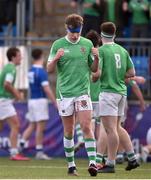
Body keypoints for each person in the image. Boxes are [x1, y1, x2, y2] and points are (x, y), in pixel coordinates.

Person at [47, 14, 99, 176]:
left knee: (86, 126)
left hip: (83, 92)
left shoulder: (87, 43)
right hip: (65, 93)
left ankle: (93, 163)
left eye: (78, 32)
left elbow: (94, 69)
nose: (75, 35)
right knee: (68, 130)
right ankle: (71, 166)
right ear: (66, 28)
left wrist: (96, 57)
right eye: (72, 32)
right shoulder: (58, 44)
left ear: (81, 28)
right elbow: (49, 69)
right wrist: (55, 58)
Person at [97, 22, 138, 173]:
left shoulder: (101, 51)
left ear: (101, 36)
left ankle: (110, 163)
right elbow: (132, 72)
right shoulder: (122, 50)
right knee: (117, 127)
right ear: (114, 35)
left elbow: (98, 73)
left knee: (110, 130)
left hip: (108, 92)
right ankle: (132, 158)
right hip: (121, 92)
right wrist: (119, 75)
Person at [20, 49, 57, 160]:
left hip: (32, 100)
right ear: (41, 56)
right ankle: (39, 151)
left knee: (32, 125)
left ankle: (21, 144)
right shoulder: (41, 71)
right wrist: (55, 102)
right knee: (40, 127)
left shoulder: (30, 70)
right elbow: (46, 89)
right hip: (40, 101)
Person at [0, 47, 29, 161]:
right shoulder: (11, 68)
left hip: (3, 100)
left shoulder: (8, 67)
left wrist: (15, 94)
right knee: (15, 125)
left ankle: (14, 152)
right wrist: (17, 94)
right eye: (19, 55)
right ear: (13, 57)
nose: (21, 57)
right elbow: (7, 84)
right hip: (3, 101)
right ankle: (14, 153)